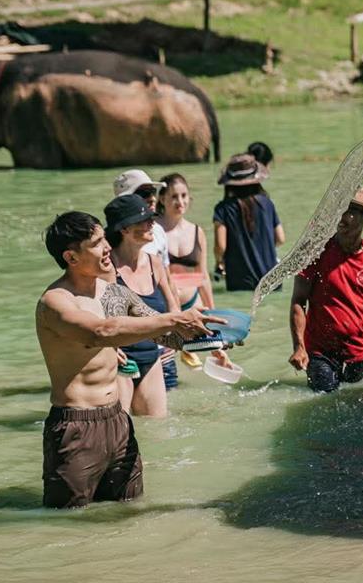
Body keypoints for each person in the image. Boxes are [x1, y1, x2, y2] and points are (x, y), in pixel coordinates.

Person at [36, 211, 220, 508]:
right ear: (71, 257)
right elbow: (100, 332)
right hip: (76, 426)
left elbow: (164, 333)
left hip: (118, 422)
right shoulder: (55, 302)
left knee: (131, 511)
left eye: (104, 239)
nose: (108, 247)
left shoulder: (113, 293)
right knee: (68, 523)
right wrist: (174, 319)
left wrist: (213, 337)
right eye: (97, 243)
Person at [288, 188, 363, 393]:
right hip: (319, 351)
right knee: (325, 402)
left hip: (357, 353)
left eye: (349, 211)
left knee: (352, 410)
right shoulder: (316, 252)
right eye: (339, 209)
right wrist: (299, 346)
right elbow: (299, 301)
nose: (342, 216)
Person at [102, 194, 185, 414]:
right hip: (119, 364)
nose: (152, 223)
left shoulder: (154, 263)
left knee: (157, 434)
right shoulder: (107, 269)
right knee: (121, 435)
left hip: (152, 359)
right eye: (143, 220)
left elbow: (174, 312)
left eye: (151, 218)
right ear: (124, 229)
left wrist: (206, 341)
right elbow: (103, 322)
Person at [213, 154, 285, 291]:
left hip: (240, 282)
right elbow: (281, 239)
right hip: (272, 281)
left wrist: (219, 262)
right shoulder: (267, 204)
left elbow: (220, 247)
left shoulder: (223, 209)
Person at [159, 173, 216, 311]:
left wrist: (213, 310)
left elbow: (202, 276)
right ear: (161, 199)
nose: (180, 202)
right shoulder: (154, 230)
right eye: (174, 197)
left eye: (184, 195)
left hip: (194, 303)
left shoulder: (197, 232)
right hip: (165, 306)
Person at [113, 169, 169, 266]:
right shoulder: (107, 241)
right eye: (145, 194)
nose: (153, 199)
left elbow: (166, 278)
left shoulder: (158, 231)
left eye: (153, 191)